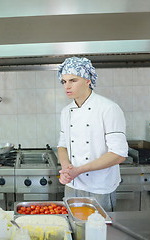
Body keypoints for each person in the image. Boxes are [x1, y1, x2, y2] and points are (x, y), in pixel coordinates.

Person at [57, 57, 128, 211]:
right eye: (64, 81)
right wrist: (66, 168)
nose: (67, 86)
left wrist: (79, 170)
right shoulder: (66, 111)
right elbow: (62, 146)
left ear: (88, 80)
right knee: (73, 229)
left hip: (100, 187)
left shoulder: (108, 109)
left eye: (73, 80)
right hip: (72, 185)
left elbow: (119, 154)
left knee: (98, 231)